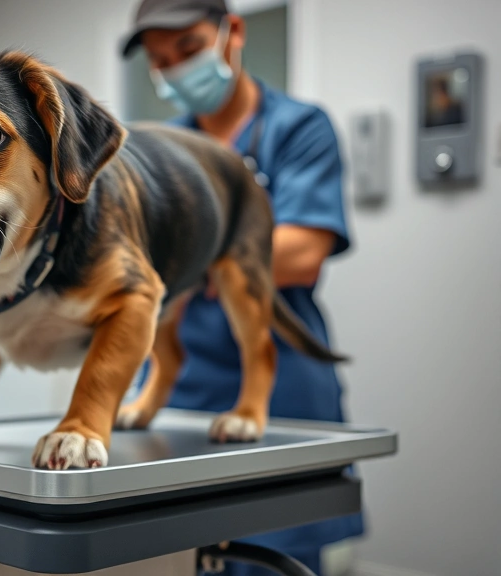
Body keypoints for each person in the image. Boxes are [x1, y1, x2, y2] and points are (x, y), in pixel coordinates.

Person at [119, 1, 360, 574]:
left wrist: (195, 256)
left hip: (279, 398)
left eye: (190, 49)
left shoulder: (298, 127)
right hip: (177, 393)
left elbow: (301, 255)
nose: (176, 69)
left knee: (275, 557)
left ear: (234, 34)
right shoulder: (159, 149)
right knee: (178, 554)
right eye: (160, 60)